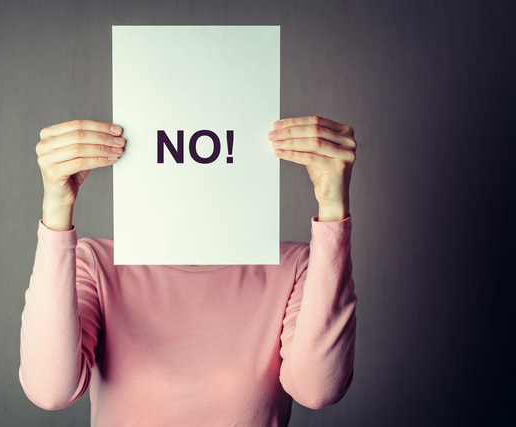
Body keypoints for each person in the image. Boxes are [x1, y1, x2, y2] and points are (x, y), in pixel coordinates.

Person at [19, 116, 358, 426]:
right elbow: (50, 390)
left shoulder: (292, 268)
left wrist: (332, 208)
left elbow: (319, 389)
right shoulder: (97, 264)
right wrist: (56, 208)